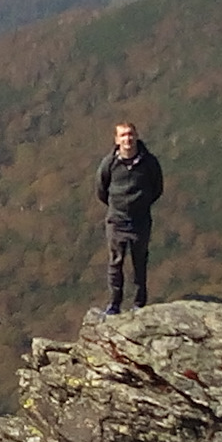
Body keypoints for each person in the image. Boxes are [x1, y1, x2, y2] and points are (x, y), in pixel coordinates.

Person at [95, 122, 163, 314]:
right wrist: (117, 207)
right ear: (117, 140)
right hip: (116, 222)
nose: (128, 139)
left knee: (139, 262)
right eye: (123, 135)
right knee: (115, 263)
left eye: (131, 134)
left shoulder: (149, 163)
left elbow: (157, 188)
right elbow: (101, 189)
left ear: (137, 136)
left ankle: (139, 303)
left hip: (140, 222)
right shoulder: (109, 164)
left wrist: (141, 205)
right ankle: (114, 304)